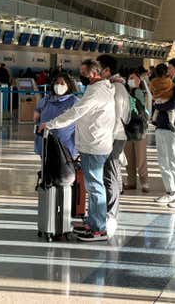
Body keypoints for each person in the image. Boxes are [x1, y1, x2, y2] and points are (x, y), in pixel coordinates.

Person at [40, 59, 115, 242]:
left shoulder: (96, 92)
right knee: (93, 185)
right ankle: (93, 221)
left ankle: (99, 229)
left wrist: (50, 124)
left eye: (84, 72)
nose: (82, 75)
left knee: (95, 186)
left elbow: (76, 112)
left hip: (94, 145)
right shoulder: (100, 88)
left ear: (94, 73)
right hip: (96, 142)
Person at [96, 55, 130, 236]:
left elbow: (115, 118)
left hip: (113, 137)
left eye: (98, 68)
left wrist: (106, 139)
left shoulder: (116, 89)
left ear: (107, 70)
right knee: (111, 174)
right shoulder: (118, 86)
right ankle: (109, 212)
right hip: (116, 136)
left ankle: (111, 214)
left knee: (110, 175)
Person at [152, 59, 175, 208]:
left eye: (170, 68)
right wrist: (157, 103)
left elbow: (173, 104)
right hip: (161, 126)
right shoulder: (169, 84)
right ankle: (170, 192)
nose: (168, 71)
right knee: (163, 162)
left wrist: (158, 104)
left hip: (174, 128)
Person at [34, 72, 79, 158]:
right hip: (45, 141)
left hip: (65, 145)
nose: (59, 86)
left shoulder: (74, 101)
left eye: (62, 83)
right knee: (46, 167)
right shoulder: (47, 99)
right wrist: (37, 113)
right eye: (57, 83)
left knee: (62, 169)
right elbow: (38, 110)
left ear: (68, 85)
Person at [123, 70, 150, 193]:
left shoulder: (141, 93)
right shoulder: (125, 93)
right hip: (127, 129)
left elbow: (145, 108)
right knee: (129, 158)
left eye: (133, 78)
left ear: (139, 80)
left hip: (140, 129)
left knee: (140, 158)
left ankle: (145, 182)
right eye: (129, 77)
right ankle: (131, 181)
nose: (130, 80)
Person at [150, 64, 175, 131]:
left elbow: (151, 88)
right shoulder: (168, 80)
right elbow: (171, 87)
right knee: (170, 111)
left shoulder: (153, 81)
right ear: (166, 71)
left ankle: (153, 119)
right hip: (166, 99)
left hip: (157, 99)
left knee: (157, 109)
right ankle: (171, 122)